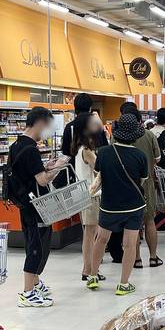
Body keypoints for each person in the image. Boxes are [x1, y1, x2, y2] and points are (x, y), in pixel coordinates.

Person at [87, 114, 148, 295]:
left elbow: (99, 175)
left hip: (109, 205)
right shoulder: (140, 156)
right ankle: (123, 284)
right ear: (135, 136)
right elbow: (142, 181)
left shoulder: (104, 152)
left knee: (100, 240)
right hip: (133, 207)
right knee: (129, 244)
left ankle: (92, 276)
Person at [8, 107, 60, 308]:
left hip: (24, 204)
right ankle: (27, 293)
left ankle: (35, 284)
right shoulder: (30, 149)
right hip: (35, 205)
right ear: (40, 123)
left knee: (33, 242)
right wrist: (55, 169)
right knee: (36, 247)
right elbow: (41, 181)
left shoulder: (17, 144)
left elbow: (26, 173)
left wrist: (44, 166)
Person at [118, 103, 162, 269]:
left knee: (132, 224)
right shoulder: (149, 135)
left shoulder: (116, 137)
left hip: (125, 184)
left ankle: (136, 259)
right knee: (149, 220)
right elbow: (157, 159)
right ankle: (153, 257)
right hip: (147, 183)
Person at [71, 113, 107, 282]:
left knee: (89, 233)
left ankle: (89, 268)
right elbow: (101, 166)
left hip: (84, 194)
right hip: (91, 195)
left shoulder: (79, 149)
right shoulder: (87, 151)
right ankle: (89, 269)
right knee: (91, 233)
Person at [61, 93, 108, 159]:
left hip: (75, 166)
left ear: (75, 107)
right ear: (90, 108)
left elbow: (65, 151)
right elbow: (104, 146)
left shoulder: (69, 126)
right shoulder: (97, 125)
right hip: (95, 164)